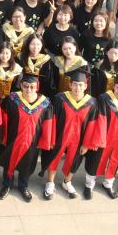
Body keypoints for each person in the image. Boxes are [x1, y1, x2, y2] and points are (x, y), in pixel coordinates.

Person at [0, 74, 55, 202]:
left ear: (37, 86)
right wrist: (1, 138)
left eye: (32, 86)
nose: (29, 89)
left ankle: (23, 186)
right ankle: (7, 184)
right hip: (12, 140)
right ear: (21, 86)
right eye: (26, 86)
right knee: (9, 162)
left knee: (27, 164)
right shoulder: (11, 99)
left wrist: (45, 141)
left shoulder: (45, 103)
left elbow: (48, 124)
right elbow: (3, 119)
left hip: (32, 142)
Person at [41, 70, 98, 200]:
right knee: (54, 158)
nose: (77, 88)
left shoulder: (92, 103)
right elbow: (52, 119)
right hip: (60, 136)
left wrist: (86, 144)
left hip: (78, 139)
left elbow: (92, 124)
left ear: (85, 85)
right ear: (70, 84)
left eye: (81, 85)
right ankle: (50, 183)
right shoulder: (60, 98)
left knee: (74, 160)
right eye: (75, 84)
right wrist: (51, 138)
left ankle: (67, 182)